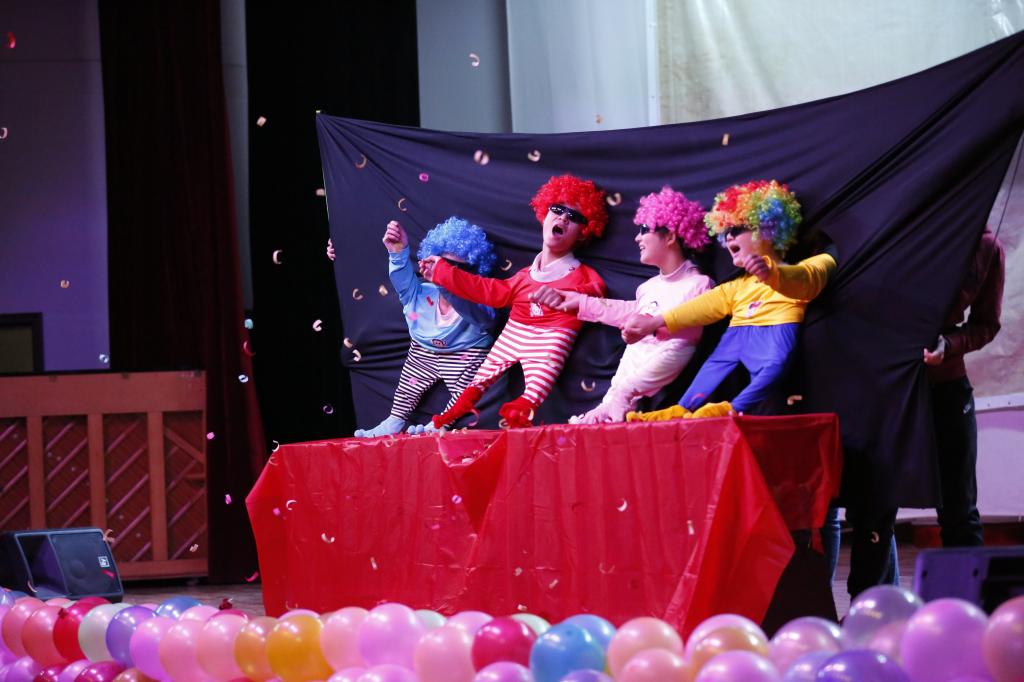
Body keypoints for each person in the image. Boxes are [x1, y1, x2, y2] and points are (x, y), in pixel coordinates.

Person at [622, 179, 833, 420]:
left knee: (773, 367)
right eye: (725, 232)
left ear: (767, 229)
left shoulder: (811, 265)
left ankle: (733, 408)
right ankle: (682, 409)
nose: (729, 238)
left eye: (736, 229)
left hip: (776, 328)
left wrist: (772, 274)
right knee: (714, 365)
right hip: (737, 333)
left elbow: (808, 278)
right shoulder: (736, 287)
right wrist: (655, 322)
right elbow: (703, 306)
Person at [417, 174, 608, 429]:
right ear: (544, 214)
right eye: (557, 209)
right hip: (514, 333)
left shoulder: (583, 276)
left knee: (534, 393)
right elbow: (487, 290)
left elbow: (597, 296)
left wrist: (568, 298)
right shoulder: (524, 276)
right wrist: (441, 271)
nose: (563, 218)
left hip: (551, 338)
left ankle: (516, 422)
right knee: (476, 384)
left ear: (583, 233)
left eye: (574, 217)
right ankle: (450, 414)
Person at [531, 186, 714, 423]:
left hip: (670, 355)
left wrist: (651, 326)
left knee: (631, 384)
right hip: (638, 359)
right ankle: (605, 409)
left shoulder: (699, 284)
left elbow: (690, 328)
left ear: (670, 237)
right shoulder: (648, 287)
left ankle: (617, 407)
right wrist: (579, 302)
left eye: (644, 229)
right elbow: (631, 312)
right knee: (619, 384)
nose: (637, 237)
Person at [350, 217, 497, 437]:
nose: (449, 271)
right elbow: (402, 282)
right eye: (443, 263)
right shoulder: (421, 294)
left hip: (465, 353)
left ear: (473, 271)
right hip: (423, 350)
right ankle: (395, 420)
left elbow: (482, 317)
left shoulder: (478, 301)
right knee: (406, 390)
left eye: (458, 268)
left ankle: (442, 422)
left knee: (467, 390)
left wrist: (447, 282)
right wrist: (397, 253)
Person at [923, 226, 1004, 546]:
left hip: (946, 383)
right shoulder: (903, 227)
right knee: (875, 511)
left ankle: (967, 581)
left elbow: (986, 324)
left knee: (959, 509)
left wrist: (950, 344)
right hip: (890, 385)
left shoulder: (987, 245)